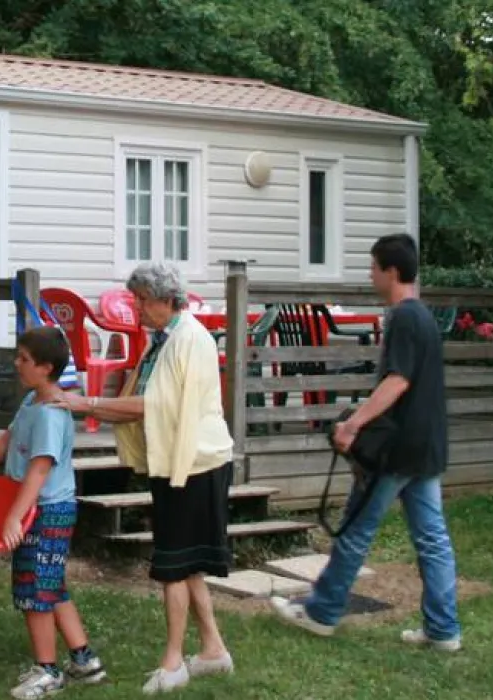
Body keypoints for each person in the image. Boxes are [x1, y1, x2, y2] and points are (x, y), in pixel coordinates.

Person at [271, 233, 462, 651]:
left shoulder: (405, 318)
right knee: (432, 539)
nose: (370, 275)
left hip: (395, 450)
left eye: (374, 267)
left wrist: (352, 424)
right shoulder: (424, 317)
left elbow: (398, 380)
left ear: (391, 271)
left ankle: (321, 612)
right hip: (425, 447)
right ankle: (443, 630)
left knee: (356, 530)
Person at [57, 263, 235, 694]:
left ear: (166, 300)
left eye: (141, 299)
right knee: (187, 562)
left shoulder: (188, 339)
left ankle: (173, 662)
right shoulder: (164, 338)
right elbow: (141, 398)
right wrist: (88, 406)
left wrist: (87, 403)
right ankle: (213, 650)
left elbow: (155, 405)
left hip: (195, 463)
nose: (135, 306)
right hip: (184, 460)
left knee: (173, 564)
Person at [0, 327, 104, 699]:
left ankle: (48, 672)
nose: (15, 364)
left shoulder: (51, 414)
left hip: (46, 510)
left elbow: (38, 470)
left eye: (23, 359)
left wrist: (14, 517)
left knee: (36, 590)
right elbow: (6, 440)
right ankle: (84, 660)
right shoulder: (33, 401)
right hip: (36, 507)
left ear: (45, 367)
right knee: (51, 584)